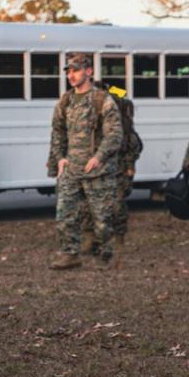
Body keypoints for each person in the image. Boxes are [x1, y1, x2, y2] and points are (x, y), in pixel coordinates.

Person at [47, 53, 123, 270]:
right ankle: (69, 254)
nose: (71, 75)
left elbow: (115, 134)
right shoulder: (65, 101)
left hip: (96, 170)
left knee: (102, 217)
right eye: (69, 71)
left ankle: (106, 255)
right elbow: (57, 132)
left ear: (89, 71)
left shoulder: (102, 100)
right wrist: (59, 158)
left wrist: (99, 157)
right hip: (71, 168)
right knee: (64, 214)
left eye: (76, 70)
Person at [78, 82, 142, 255]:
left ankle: (118, 239)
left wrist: (129, 165)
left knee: (116, 204)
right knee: (86, 204)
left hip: (118, 165)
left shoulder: (119, 115)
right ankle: (89, 238)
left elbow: (133, 143)